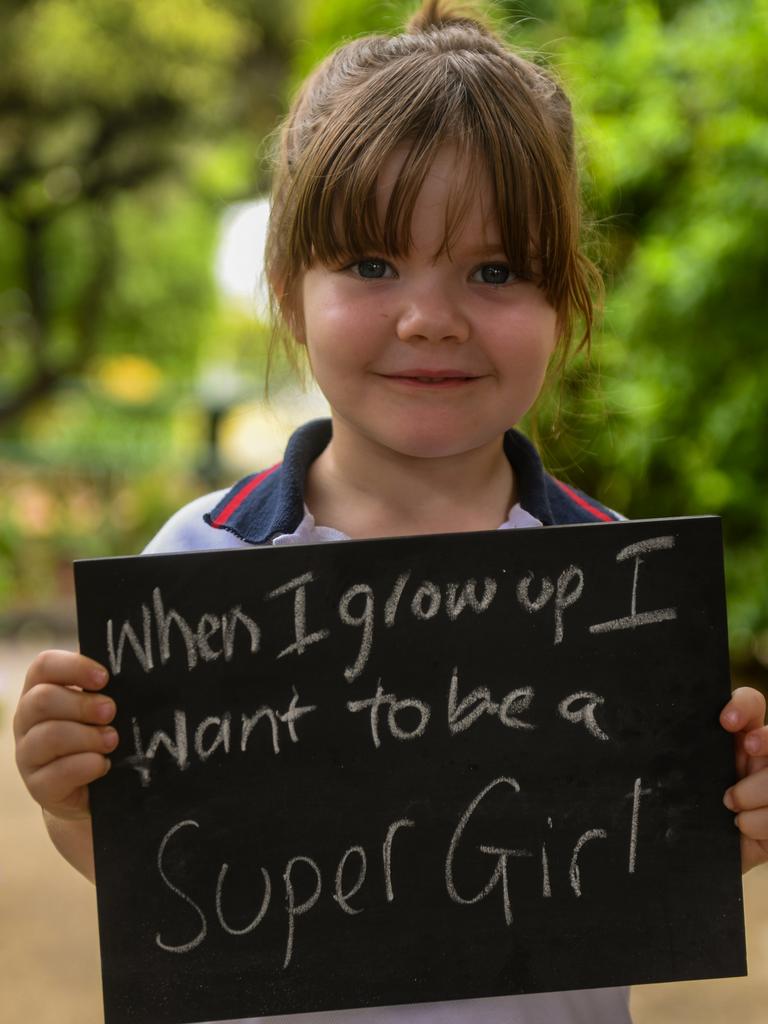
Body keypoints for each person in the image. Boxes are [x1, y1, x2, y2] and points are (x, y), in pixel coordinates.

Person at [13, 2, 768, 1022]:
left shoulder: (621, 585)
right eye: (372, 265)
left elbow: (644, 859)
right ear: (289, 291)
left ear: (566, 303)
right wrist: (72, 801)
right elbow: (167, 874)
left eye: (495, 270)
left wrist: (733, 816)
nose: (430, 317)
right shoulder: (195, 563)